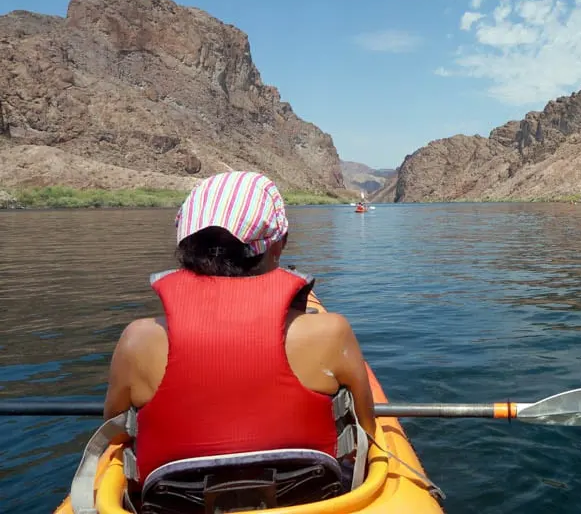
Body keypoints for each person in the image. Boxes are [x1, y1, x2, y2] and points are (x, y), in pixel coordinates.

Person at [101, 170, 376, 487]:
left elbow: (117, 431)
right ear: (278, 246)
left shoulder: (137, 341)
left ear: (186, 244)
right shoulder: (331, 333)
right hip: (311, 500)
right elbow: (366, 430)